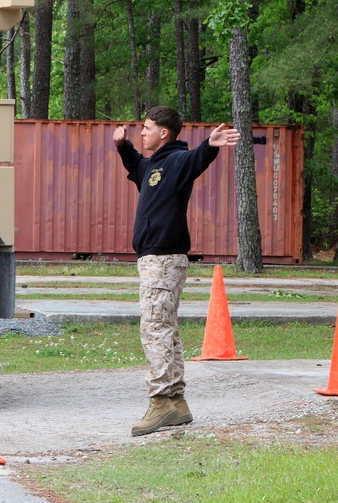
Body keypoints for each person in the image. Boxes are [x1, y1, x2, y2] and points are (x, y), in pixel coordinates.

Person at [113, 106, 240, 437]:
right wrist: (123, 146)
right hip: (153, 259)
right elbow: (137, 166)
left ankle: (161, 401)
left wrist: (210, 145)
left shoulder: (178, 161)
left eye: (147, 128)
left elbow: (197, 159)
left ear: (163, 133)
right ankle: (177, 403)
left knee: (154, 328)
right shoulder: (152, 165)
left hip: (164, 259)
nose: (142, 132)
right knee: (164, 328)